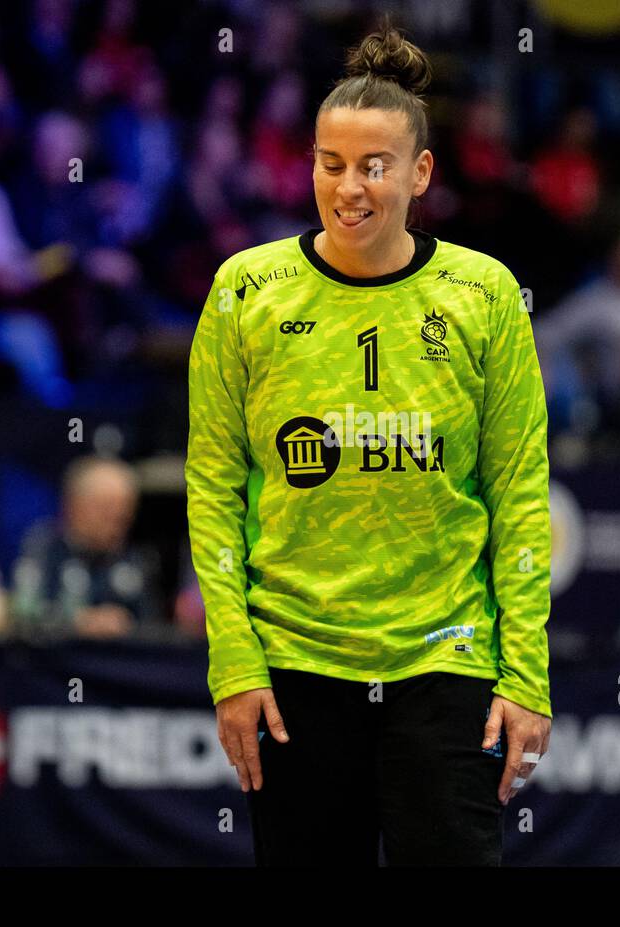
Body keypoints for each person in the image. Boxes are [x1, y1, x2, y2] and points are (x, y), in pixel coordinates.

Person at [185, 25, 552, 866]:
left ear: (420, 172)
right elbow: (212, 487)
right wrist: (233, 662)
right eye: (330, 163)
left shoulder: (483, 293)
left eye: (374, 165)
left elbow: (520, 492)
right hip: (294, 666)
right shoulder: (247, 290)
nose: (349, 187)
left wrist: (525, 675)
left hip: (448, 661)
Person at [18, 456, 163, 640]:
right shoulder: (44, 550)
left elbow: (154, 627)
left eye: (124, 512)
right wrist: (76, 621)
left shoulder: (136, 559)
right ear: (74, 506)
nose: (116, 521)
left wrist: (126, 624)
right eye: (105, 510)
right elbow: (22, 617)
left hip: (121, 664)